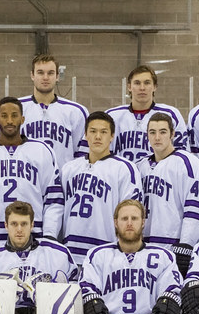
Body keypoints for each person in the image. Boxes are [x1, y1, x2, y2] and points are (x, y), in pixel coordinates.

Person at [0, 97, 62, 247]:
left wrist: (50, 235)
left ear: (22, 119)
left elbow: (53, 199)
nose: (9, 121)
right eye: (4, 116)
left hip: (33, 240)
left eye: (14, 115)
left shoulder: (42, 151)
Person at [60, 111, 143, 264]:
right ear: (85, 134)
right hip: (70, 252)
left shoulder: (124, 169)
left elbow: (130, 213)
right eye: (93, 131)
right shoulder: (68, 169)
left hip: (106, 253)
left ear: (112, 136)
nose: (98, 136)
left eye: (103, 132)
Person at [136, 112, 199, 276]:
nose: (157, 137)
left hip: (173, 247)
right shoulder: (140, 166)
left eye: (162, 132)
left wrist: (186, 244)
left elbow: (196, 208)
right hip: (144, 246)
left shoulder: (188, 163)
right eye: (152, 132)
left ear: (172, 134)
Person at [105, 65, 188, 162]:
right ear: (129, 87)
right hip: (121, 176)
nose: (142, 88)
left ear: (155, 87)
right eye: (137, 83)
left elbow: (182, 154)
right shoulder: (111, 116)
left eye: (147, 83)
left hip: (157, 175)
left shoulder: (171, 114)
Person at [19, 54, 89, 167]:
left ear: (57, 76)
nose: (45, 77)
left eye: (50, 73)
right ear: (32, 75)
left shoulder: (76, 112)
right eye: (40, 72)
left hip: (63, 181)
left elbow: (83, 155)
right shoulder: (17, 108)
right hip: (27, 180)